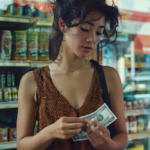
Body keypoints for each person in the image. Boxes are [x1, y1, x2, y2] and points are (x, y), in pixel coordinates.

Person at [17, 0, 128, 149]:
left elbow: (122, 135)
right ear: (63, 24)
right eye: (85, 28)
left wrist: (111, 145)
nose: (92, 39)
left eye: (98, 32)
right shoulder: (33, 81)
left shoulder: (109, 76)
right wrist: (50, 132)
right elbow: (22, 145)